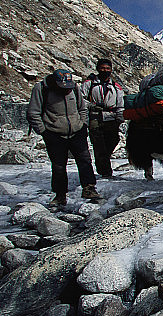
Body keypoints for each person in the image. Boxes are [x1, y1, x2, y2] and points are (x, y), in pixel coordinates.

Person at [27, 68, 102, 206]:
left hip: (76, 130)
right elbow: (33, 112)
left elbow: (82, 108)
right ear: (55, 83)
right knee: (58, 165)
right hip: (54, 133)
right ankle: (60, 195)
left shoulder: (73, 87)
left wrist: (83, 125)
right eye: (63, 88)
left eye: (68, 88)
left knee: (84, 160)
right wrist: (44, 132)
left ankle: (89, 188)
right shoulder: (42, 89)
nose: (66, 90)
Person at [80, 58, 125, 177]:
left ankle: (102, 163)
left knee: (113, 141)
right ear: (98, 69)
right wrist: (91, 106)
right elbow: (80, 100)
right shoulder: (89, 84)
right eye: (102, 68)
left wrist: (120, 118)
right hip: (96, 117)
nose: (105, 70)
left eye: (108, 69)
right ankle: (105, 171)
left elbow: (120, 104)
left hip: (112, 117)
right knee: (99, 144)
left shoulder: (116, 87)